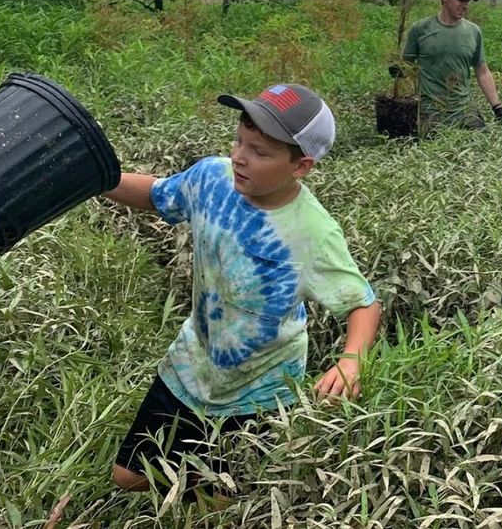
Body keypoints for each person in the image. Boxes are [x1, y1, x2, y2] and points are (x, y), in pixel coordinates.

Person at [104, 83, 380, 493]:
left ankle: (210, 486)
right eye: (238, 140)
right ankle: (196, 477)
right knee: (129, 476)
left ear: (301, 166)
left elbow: (363, 303)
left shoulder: (313, 233)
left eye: (260, 151)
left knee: (220, 500)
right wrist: (96, 178)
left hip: (261, 388)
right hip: (191, 363)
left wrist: (350, 360)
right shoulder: (212, 178)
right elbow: (156, 193)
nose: (239, 156)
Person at [395, 0, 502, 134]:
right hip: (431, 112)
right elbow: (406, 66)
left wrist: (498, 107)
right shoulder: (420, 29)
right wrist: (399, 71)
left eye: (468, 1)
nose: (465, 5)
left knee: (484, 145)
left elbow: (482, 71)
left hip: (464, 110)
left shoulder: (473, 31)